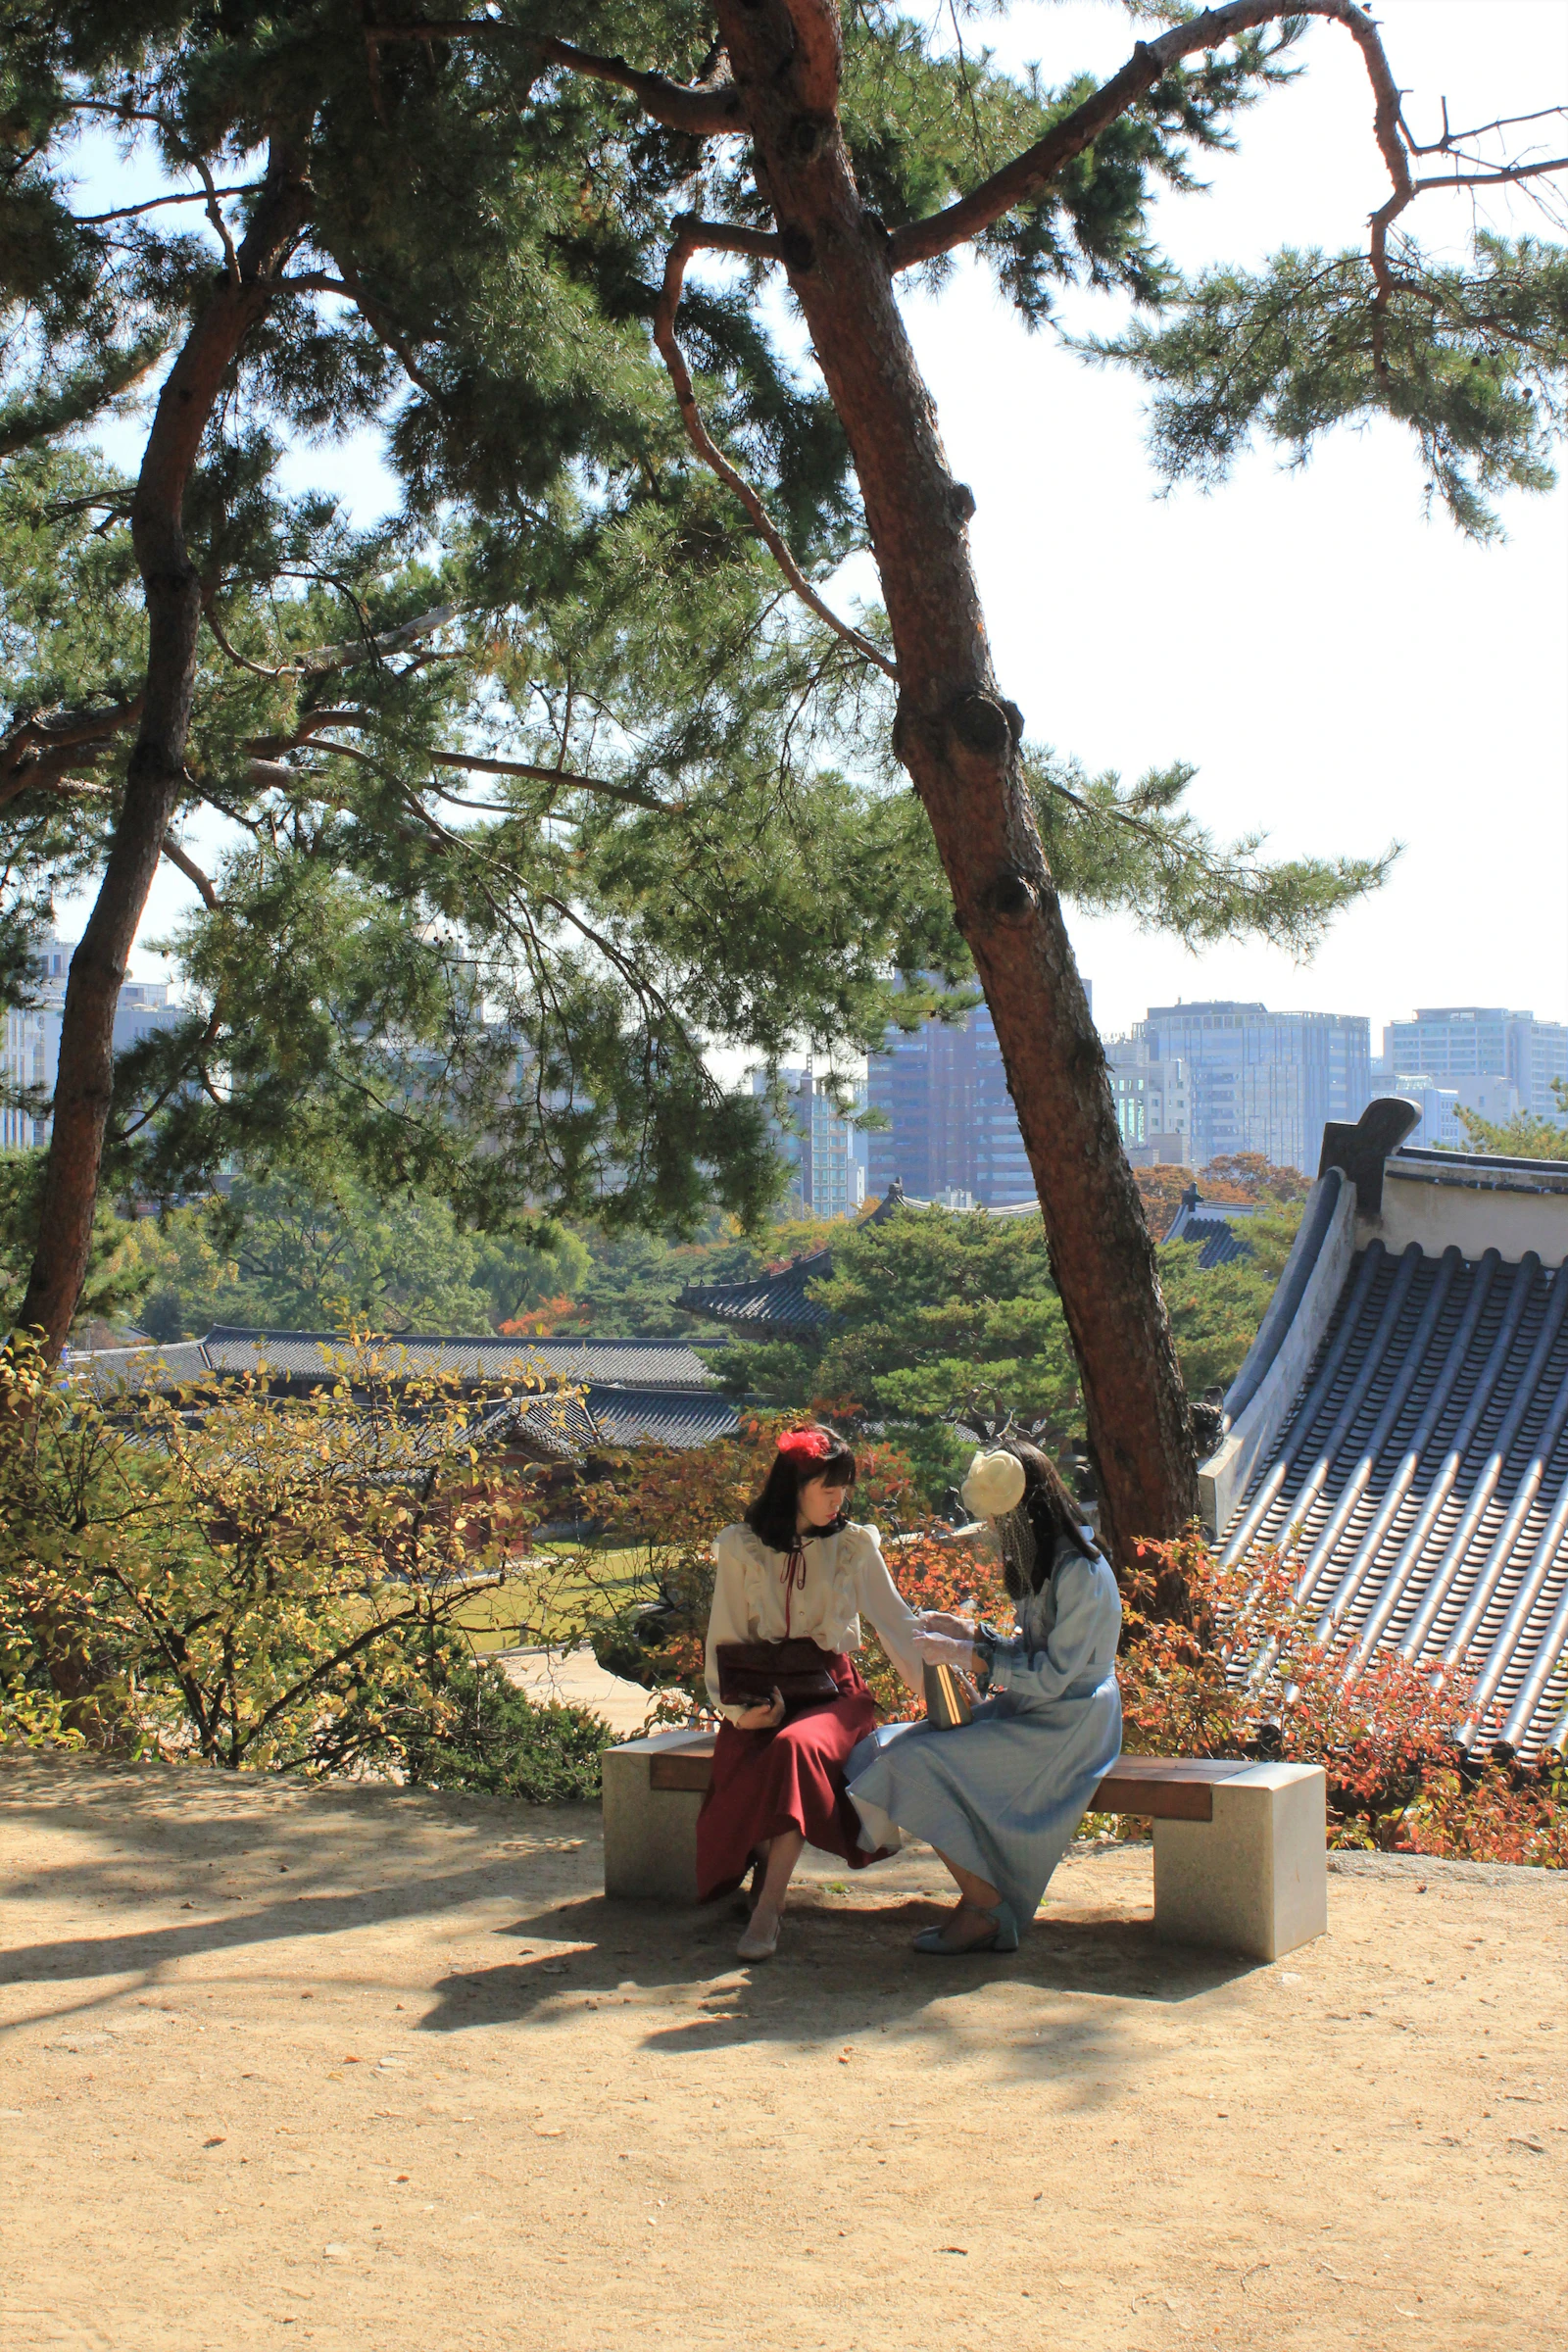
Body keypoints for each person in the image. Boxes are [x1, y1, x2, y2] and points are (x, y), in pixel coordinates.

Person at [846, 1436, 1122, 1956]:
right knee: (887, 1747)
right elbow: (1034, 1650)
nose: (997, 1532)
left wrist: (968, 1655)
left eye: (1002, 1520)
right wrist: (971, 1635)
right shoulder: (1055, 1564)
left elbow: (1055, 1674)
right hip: (1042, 1711)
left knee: (918, 1761)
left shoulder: (1081, 1572)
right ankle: (982, 1902)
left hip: (1071, 1726)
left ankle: (984, 1906)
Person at [698, 1426, 922, 1962]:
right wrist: (738, 1711)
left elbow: (897, 1626)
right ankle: (765, 1871)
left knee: (795, 1751)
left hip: (832, 1696)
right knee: (767, 1756)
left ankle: (769, 1908)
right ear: (794, 1484)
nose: (837, 1499)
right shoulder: (741, 1547)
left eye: (843, 1488)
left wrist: (943, 1697)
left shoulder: (853, 1545)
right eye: (827, 1487)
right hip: (762, 1695)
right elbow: (724, 1635)